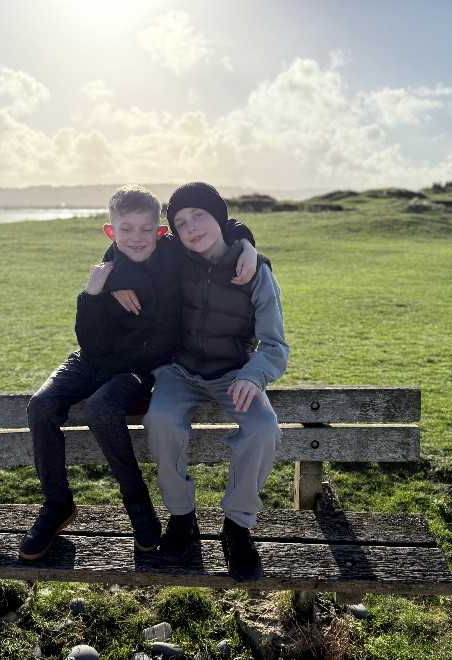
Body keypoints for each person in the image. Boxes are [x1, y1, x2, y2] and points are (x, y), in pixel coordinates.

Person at [19, 184, 258, 560]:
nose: (137, 237)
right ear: (110, 231)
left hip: (138, 368)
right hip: (90, 360)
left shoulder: (174, 253)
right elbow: (89, 342)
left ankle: (139, 509)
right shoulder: (106, 271)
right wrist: (95, 294)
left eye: (147, 228)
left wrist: (247, 245)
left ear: (160, 232)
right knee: (40, 406)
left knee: (101, 409)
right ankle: (57, 505)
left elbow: (223, 227)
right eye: (126, 229)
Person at [143, 182, 289, 582]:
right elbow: (128, 248)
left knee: (264, 429)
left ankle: (237, 526)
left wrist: (254, 374)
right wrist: (117, 281)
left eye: (199, 216)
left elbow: (275, 343)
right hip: (179, 371)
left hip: (234, 374)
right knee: (160, 420)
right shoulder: (175, 258)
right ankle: (181, 516)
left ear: (219, 218)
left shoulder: (255, 272)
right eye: (180, 223)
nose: (191, 227)